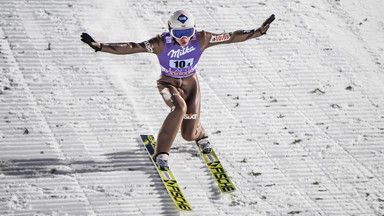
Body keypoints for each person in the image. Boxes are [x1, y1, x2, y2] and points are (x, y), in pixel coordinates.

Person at [81, 10, 274, 170]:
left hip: (191, 85)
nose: (184, 38)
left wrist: (258, 31)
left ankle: (200, 134)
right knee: (179, 108)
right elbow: (132, 47)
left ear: (194, 29)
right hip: (168, 83)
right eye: (179, 34)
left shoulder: (202, 38)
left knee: (188, 135)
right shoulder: (161, 42)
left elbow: (230, 37)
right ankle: (162, 152)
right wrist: (100, 47)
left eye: (188, 32)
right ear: (170, 31)